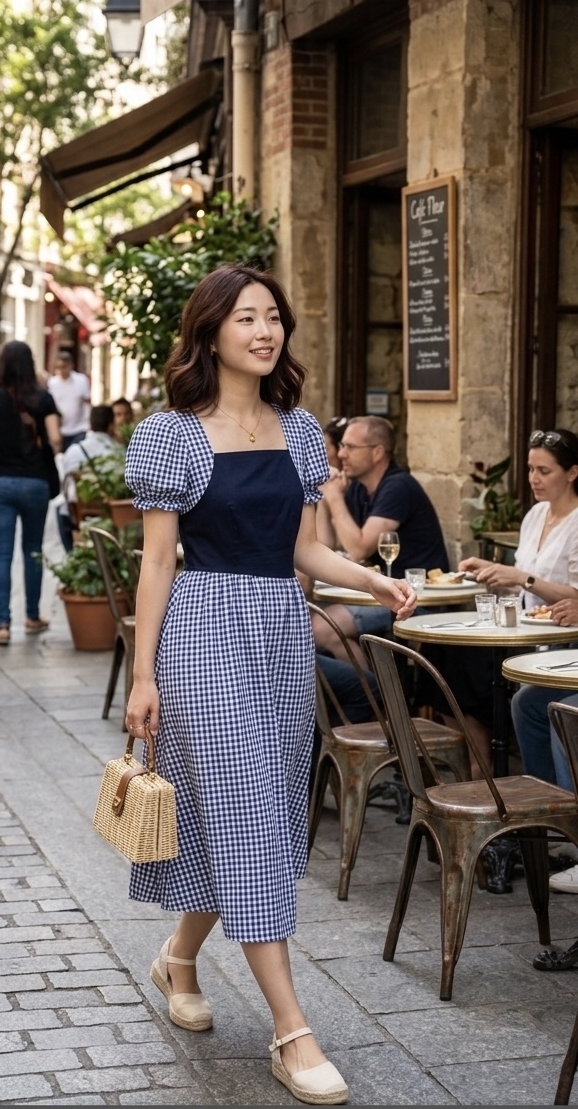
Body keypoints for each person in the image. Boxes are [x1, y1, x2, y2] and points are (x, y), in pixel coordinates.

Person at [123, 263, 416, 1105]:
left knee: (258, 815)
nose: (264, 329)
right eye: (245, 316)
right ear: (209, 330)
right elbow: (155, 563)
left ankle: (177, 955)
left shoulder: (294, 433)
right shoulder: (170, 434)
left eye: (273, 317)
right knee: (249, 812)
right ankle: (293, 1033)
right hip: (202, 632)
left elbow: (305, 552)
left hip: (280, 636)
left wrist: (373, 585)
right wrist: (143, 673)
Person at [460, 428, 578, 804]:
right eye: (530, 469)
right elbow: (522, 586)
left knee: (538, 703)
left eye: (544, 471)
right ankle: (543, 810)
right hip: (531, 635)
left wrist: (523, 578)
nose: (533, 479)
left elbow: (574, 598)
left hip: (564, 641)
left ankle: (564, 818)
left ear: (572, 472)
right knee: (476, 673)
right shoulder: (535, 515)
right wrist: (491, 573)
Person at [313, 414, 448, 667]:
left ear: (377, 452)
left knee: (321, 629)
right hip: (379, 595)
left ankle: (375, 698)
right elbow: (323, 546)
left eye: (350, 447)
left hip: (413, 601)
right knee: (308, 619)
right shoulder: (358, 488)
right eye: (341, 446)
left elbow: (358, 549)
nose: (341, 454)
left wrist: (334, 498)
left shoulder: (398, 486)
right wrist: (323, 497)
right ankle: (374, 693)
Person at [0, 341, 61, 646]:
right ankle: (32, 616)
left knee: (2, 553)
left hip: (1, 481)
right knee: (33, 550)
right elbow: (55, 438)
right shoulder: (43, 398)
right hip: (35, 482)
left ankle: (3, 625)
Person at [56, 404, 124, 551]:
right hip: (109, 515)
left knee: (61, 508)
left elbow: (66, 486)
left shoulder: (74, 450)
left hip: (77, 516)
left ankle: (73, 553)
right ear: (111, 425)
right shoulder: (118, 452)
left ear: (90, 424)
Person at [47, 350, 90, 450]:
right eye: (59, 368)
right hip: (61, 429)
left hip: (79, 427)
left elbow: (86, 403)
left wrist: (88, 423)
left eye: (64, 367)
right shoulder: (52, 383)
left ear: (71, 366)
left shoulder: (81, 380)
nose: (61, 371)